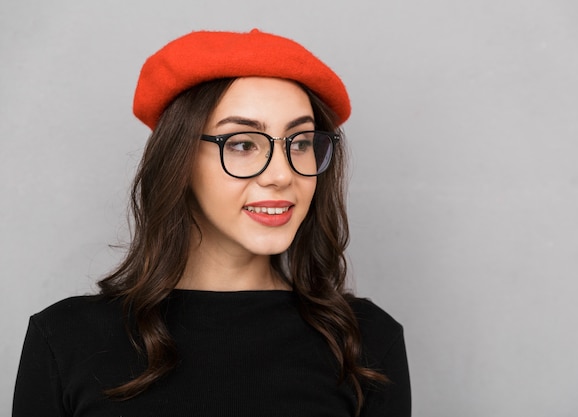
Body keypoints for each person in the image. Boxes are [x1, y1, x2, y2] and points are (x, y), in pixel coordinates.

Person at [12, 29, 411, 417]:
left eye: (301, 143)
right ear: (179, 161)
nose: (281, 175)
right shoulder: (65, 340)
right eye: (241, 144)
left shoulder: (366, 343)